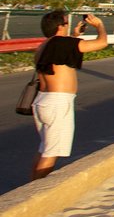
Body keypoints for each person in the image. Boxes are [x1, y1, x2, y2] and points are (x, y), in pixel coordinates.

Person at [31, 10, 109, 180]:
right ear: (60, 26)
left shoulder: (43, 46)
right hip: (57, 102)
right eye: (66, 23)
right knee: (51, 152)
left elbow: (63, 51)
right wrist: (99, 26)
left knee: (45, 148)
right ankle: (35, 191)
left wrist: (74, 34)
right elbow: (102, 43)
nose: (67, 25)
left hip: (42, 100)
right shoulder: (63, 43)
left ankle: (31, 184)